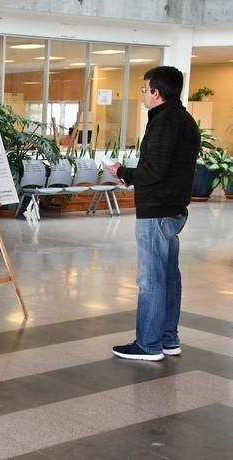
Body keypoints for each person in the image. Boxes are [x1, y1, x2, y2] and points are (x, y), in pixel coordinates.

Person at [105, 66, 200, 361]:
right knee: (169, 276)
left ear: (156, 93)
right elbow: (166, 169)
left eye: (145, 90)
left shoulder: (163, 122)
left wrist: (122, 171)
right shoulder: (184, 120)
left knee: (151, 279)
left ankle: (148, 343)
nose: (144, 95)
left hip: (157, 211)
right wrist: (130, 175)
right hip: (173, 209)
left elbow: (154, 170)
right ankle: (168, 339)